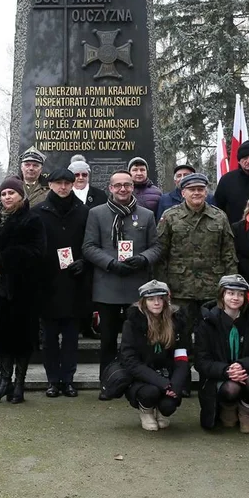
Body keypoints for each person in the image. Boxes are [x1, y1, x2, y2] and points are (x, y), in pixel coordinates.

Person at [83, 169, 163, 399]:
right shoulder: (97, 214)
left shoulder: (146, 215)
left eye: (127, 185)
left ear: (132, 187)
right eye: (118, 185)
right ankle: (108, 384)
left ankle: (139, 383)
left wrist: (143, 258)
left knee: (139, 339)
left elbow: (156, 247)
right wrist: (110, 263)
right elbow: (88, 247)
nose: (122, 189)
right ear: (110, 188)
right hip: (107, 286)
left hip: (137, 288)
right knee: (107, 340)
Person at [0, 178, 47, 403]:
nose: (7, 197)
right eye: (4, 193)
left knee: (22, 338)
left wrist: (5, 257)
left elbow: (37, 251)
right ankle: (4, 382)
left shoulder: (32, 220)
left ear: (21, 196)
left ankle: (19, 385)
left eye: (12, 193)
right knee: (2, 338)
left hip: (23, 289)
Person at [157, 173, 237, 331]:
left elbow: (229, 254)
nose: (196, 193)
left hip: (212, 287)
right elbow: (161, 254)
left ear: (206, 192)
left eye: (200, 189)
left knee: (212, 331)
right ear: (183, 193)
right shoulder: (170, 216)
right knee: (181, 332)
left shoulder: (219, 216)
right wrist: (162, 285)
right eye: (191, 189)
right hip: (180, 288)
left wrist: (231, 286)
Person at [35, 168, 90, 398]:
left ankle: (68, 379)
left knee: (70, 338)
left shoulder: (84, 212)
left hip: (74, 282)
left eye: (67, 182)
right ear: (50, 185)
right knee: (49, 338)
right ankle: (52, 380)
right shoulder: (38, 212)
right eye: (58, 183)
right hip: (48, 283)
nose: (63, 187)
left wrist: (84, 261)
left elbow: (91, 242)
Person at [194, 275, 249, 433]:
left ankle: (247, 410)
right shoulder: (206, 323)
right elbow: (201, 361)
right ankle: (227, 407)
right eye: (230, 293)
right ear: (222, 295)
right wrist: (226, 370)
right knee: (231, 388)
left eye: (240, 294)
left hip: (247, 372)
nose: (235, 298)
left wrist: (242, 365)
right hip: (219, 376)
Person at [119, 280, 191, 431]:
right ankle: (146, 410)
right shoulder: (132, 324)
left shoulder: (177, 321)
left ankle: (162, 411)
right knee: (150, 392)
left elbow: (182, 358)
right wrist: (161, 382)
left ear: (166, 300)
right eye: (151, 299)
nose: (156, 303)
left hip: (168, 374)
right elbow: (130, 361)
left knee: (168, 406)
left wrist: (175, 385)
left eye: (160, 298)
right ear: (143, 301)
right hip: (142, 376)